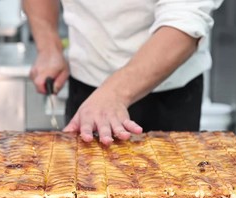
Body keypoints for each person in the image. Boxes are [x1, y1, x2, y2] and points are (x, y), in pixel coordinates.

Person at [23, 0, 223, 145]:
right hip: (86, 85)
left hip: (168, 91)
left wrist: (115, 92)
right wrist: (48, 46)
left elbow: (185, 19)